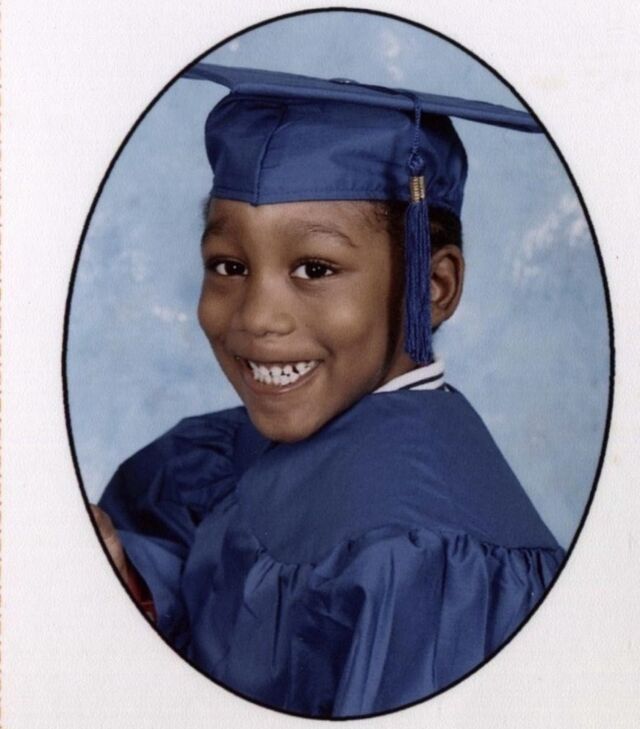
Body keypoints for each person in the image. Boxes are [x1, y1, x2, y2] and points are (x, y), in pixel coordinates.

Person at [93, 63, 565, 718]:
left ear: (433, 288)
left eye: (314, 269)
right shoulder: (224, 448)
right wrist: (122, 579)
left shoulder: (427, 564)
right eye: (229, 265)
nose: (258, 317)